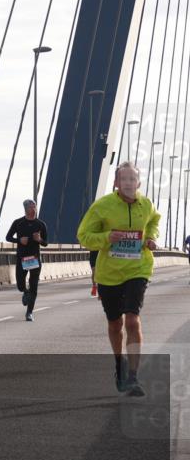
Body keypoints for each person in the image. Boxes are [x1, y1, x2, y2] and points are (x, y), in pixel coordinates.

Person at [77, 162, 160, 398]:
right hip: (109, 274)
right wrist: (106, 237)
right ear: (116, 183)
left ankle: (133, 377)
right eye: (124, 179)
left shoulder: (147, 205)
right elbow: (83, 235)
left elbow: (154, 220)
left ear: (139, 183)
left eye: (133, 179)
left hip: (138, 268)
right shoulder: (102, 206)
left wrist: (151, 237)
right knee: (116, 324)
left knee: (132, 320)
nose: (129, 183)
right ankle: (118, 364)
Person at [5, 200, 49, 321]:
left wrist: (40, 240)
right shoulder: (18, 223)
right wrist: (19, 240)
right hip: (22, 258)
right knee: (20, 285)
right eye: (31, 207)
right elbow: (8, 237)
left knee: (34, 286)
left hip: (34, 259)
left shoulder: (41, 224)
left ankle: (29, 313)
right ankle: (25, 291)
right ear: (25, 209)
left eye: (34, 206)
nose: (33, 209)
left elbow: (46, 243)